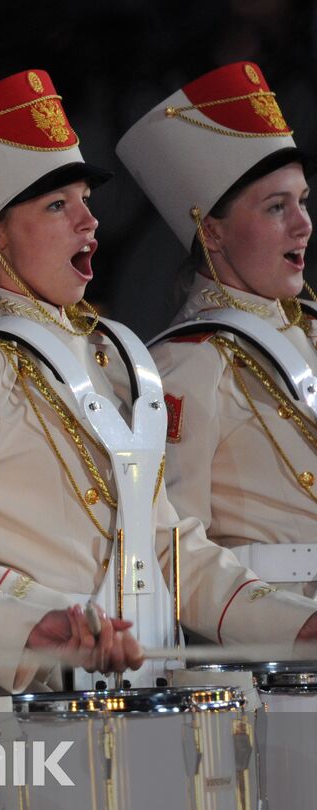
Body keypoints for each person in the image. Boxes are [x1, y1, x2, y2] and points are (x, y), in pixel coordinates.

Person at [0, 69, 317, 694]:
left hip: (140, 689)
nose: (90, 223)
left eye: (86, 203)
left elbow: (172, 549)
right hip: (30, 705)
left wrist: (298, 625)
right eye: (58, 205)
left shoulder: (112, 356)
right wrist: (31, 620)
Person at [121, 62, 317, 597]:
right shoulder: (186, 363)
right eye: (277, 207)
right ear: (212, 230)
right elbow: (174, 553)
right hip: (272, 658)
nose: (304, 224)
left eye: (302, 201)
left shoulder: (311, 334)